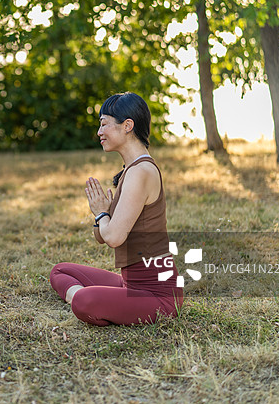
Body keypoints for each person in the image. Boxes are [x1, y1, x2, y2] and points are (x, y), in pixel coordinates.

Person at [49, 92, 182, 325]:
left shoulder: (141, 171)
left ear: (127, 125)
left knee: (83, 302)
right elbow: (101, 236)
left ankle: (81, 298)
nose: (99, 132)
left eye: (104, 124)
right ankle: (96, 300)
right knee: (60, 271)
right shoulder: (129, 170)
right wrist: (102, 215)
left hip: (158, 296)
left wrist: (103, 213)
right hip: (129, 284)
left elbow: (114, 238)